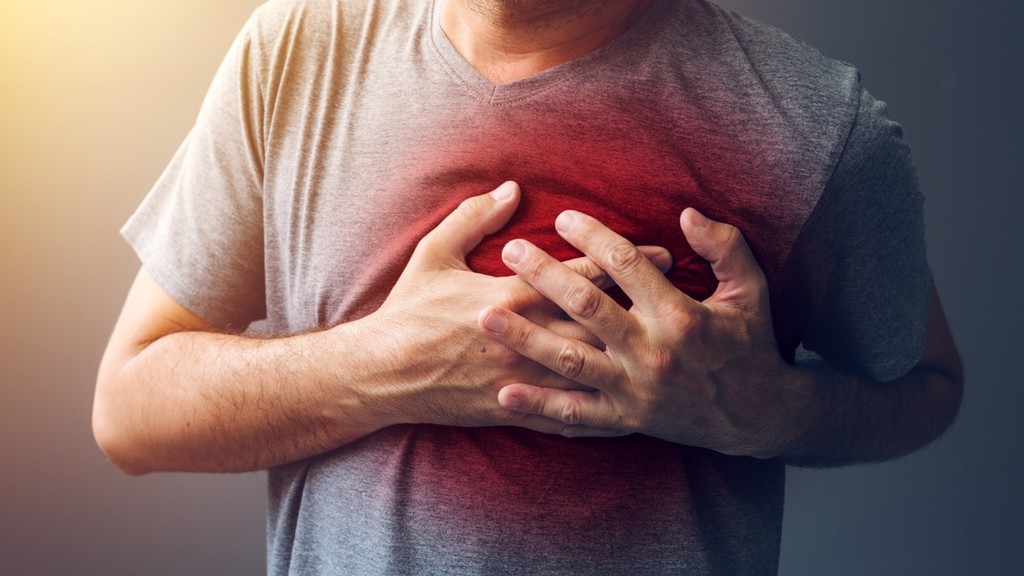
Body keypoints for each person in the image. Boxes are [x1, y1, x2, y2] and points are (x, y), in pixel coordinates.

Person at [93, 0, 963, 574]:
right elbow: (131, 412)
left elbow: (929, 389)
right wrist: (382, 364)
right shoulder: (295, 52)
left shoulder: (816, 127)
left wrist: (777, 411)